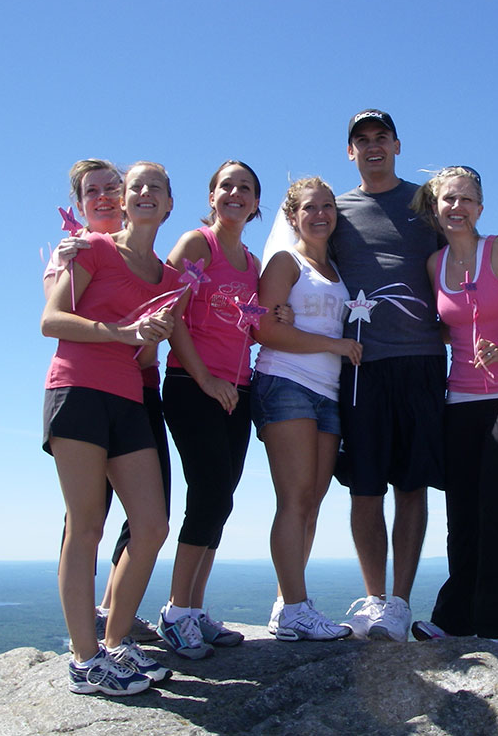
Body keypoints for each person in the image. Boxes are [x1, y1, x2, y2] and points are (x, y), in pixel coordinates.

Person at [42, 161, 179, 695]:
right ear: (123, 204)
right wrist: (125, 332)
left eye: (154, 189)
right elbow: (51, 320)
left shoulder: (170, 279)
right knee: (87, 527)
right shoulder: (92, 251)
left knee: (151, 525)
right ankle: (84, 660)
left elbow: (146, 348)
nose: (143, 195)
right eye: (135, 188)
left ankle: (116, 643)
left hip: (128, 398)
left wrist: (151, 335)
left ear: (169, 205)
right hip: (76, 390)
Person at [407, 167, 498, 641]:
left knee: (496, 505)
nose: (457, 207)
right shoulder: (434, 265)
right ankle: (453, 618)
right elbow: (447, 326)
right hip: (461, 395)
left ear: (481, 208)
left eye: (466, 199)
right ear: (435, 208)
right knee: (461, 509)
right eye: (448, 199)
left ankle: (491, 624)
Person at [329, 109, 446, 642]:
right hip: (359, 363)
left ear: (397, 144)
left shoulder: (427, 202)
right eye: (362, 140)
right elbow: (303, 261)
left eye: (382, 138)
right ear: (350, 151)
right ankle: (375, 599)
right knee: (364, 486)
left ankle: (399, 603)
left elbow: (461, 262)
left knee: (413, 482)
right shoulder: (336, 210)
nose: (373, 147)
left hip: (421, 358)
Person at [157, 160, 261, 659]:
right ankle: (176, 612)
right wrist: (204, 378)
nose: (235, 193)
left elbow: (251, 326)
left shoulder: (254, 263)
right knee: (209, 491)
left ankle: (194, 609)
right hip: (190, 384)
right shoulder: (198, 244)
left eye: (245, 188)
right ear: (212, 195)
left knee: (222, 498)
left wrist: (279, 314)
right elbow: (167, 312)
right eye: (227, 186)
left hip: (237, 391)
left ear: (257, 202)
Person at [252, 177, 362, 641]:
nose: (321, 215)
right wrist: (335, 343)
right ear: (293, 216)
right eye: (310, 208)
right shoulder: (285, 261)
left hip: (329, 394)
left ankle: (287, 604)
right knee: (295, 497)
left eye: (328, 207)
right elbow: (265, 331)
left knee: (312, 501)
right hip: (286, 384)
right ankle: (296, 606)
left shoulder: (337, 268)